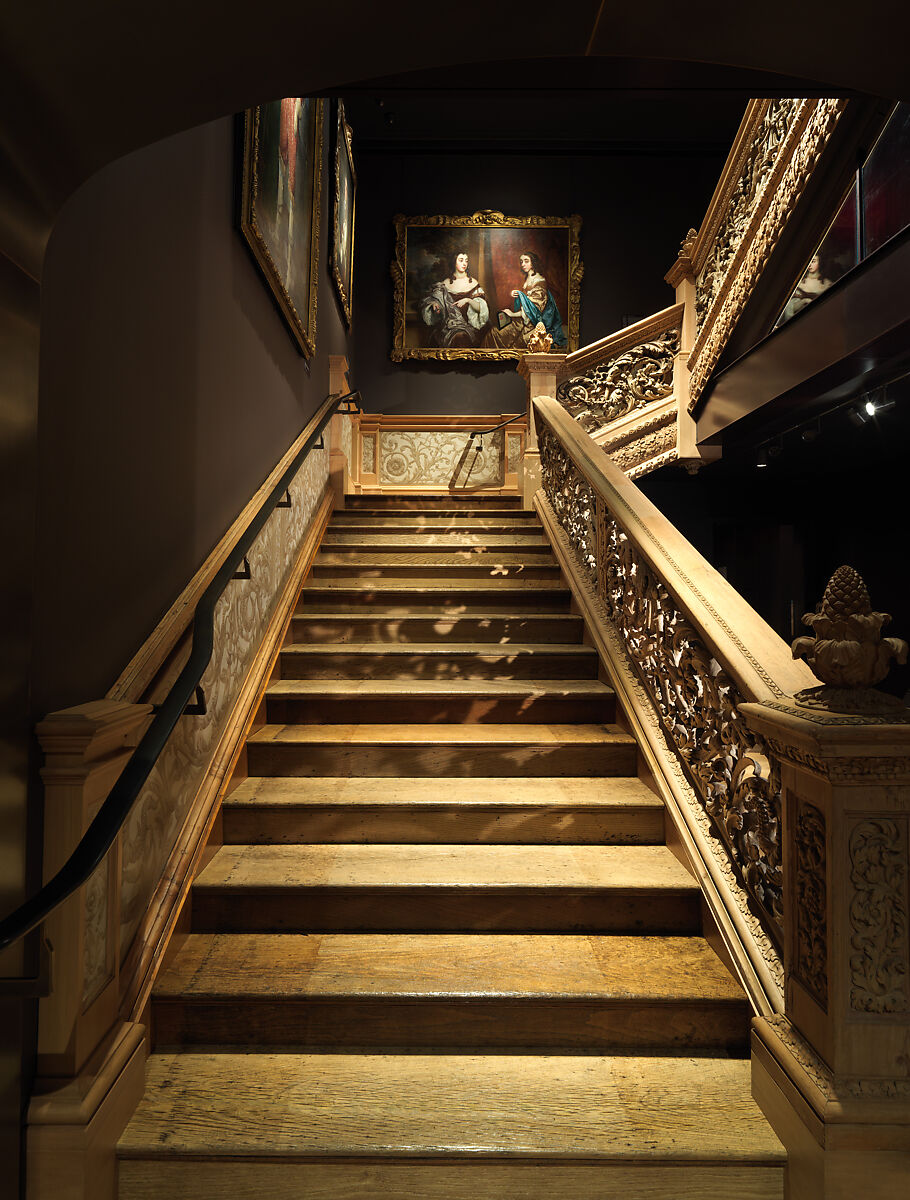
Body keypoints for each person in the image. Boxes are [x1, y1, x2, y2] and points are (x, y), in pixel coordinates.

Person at [489, 251, 566, 349]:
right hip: (524, 319)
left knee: (495, 334)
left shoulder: (540, 282)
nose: (523, 264)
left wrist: (512, 314)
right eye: (521, 262)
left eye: (526, 261)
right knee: (494, 332)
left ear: (533, 263)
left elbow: (535, 309)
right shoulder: (529, 277)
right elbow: (527, 300)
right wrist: (518, 294)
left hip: (532, 322)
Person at [419, 251, 490, 348]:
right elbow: (435, 302)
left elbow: (481, 308)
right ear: (454, 262)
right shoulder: (445, 284)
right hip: (449, 327)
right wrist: (435, 305)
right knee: (452, 337)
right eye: (461, 260)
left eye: (466, 261)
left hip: (470, 327)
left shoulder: (473, 283)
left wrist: (468, 300)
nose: (464, 263)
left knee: (462, 337)